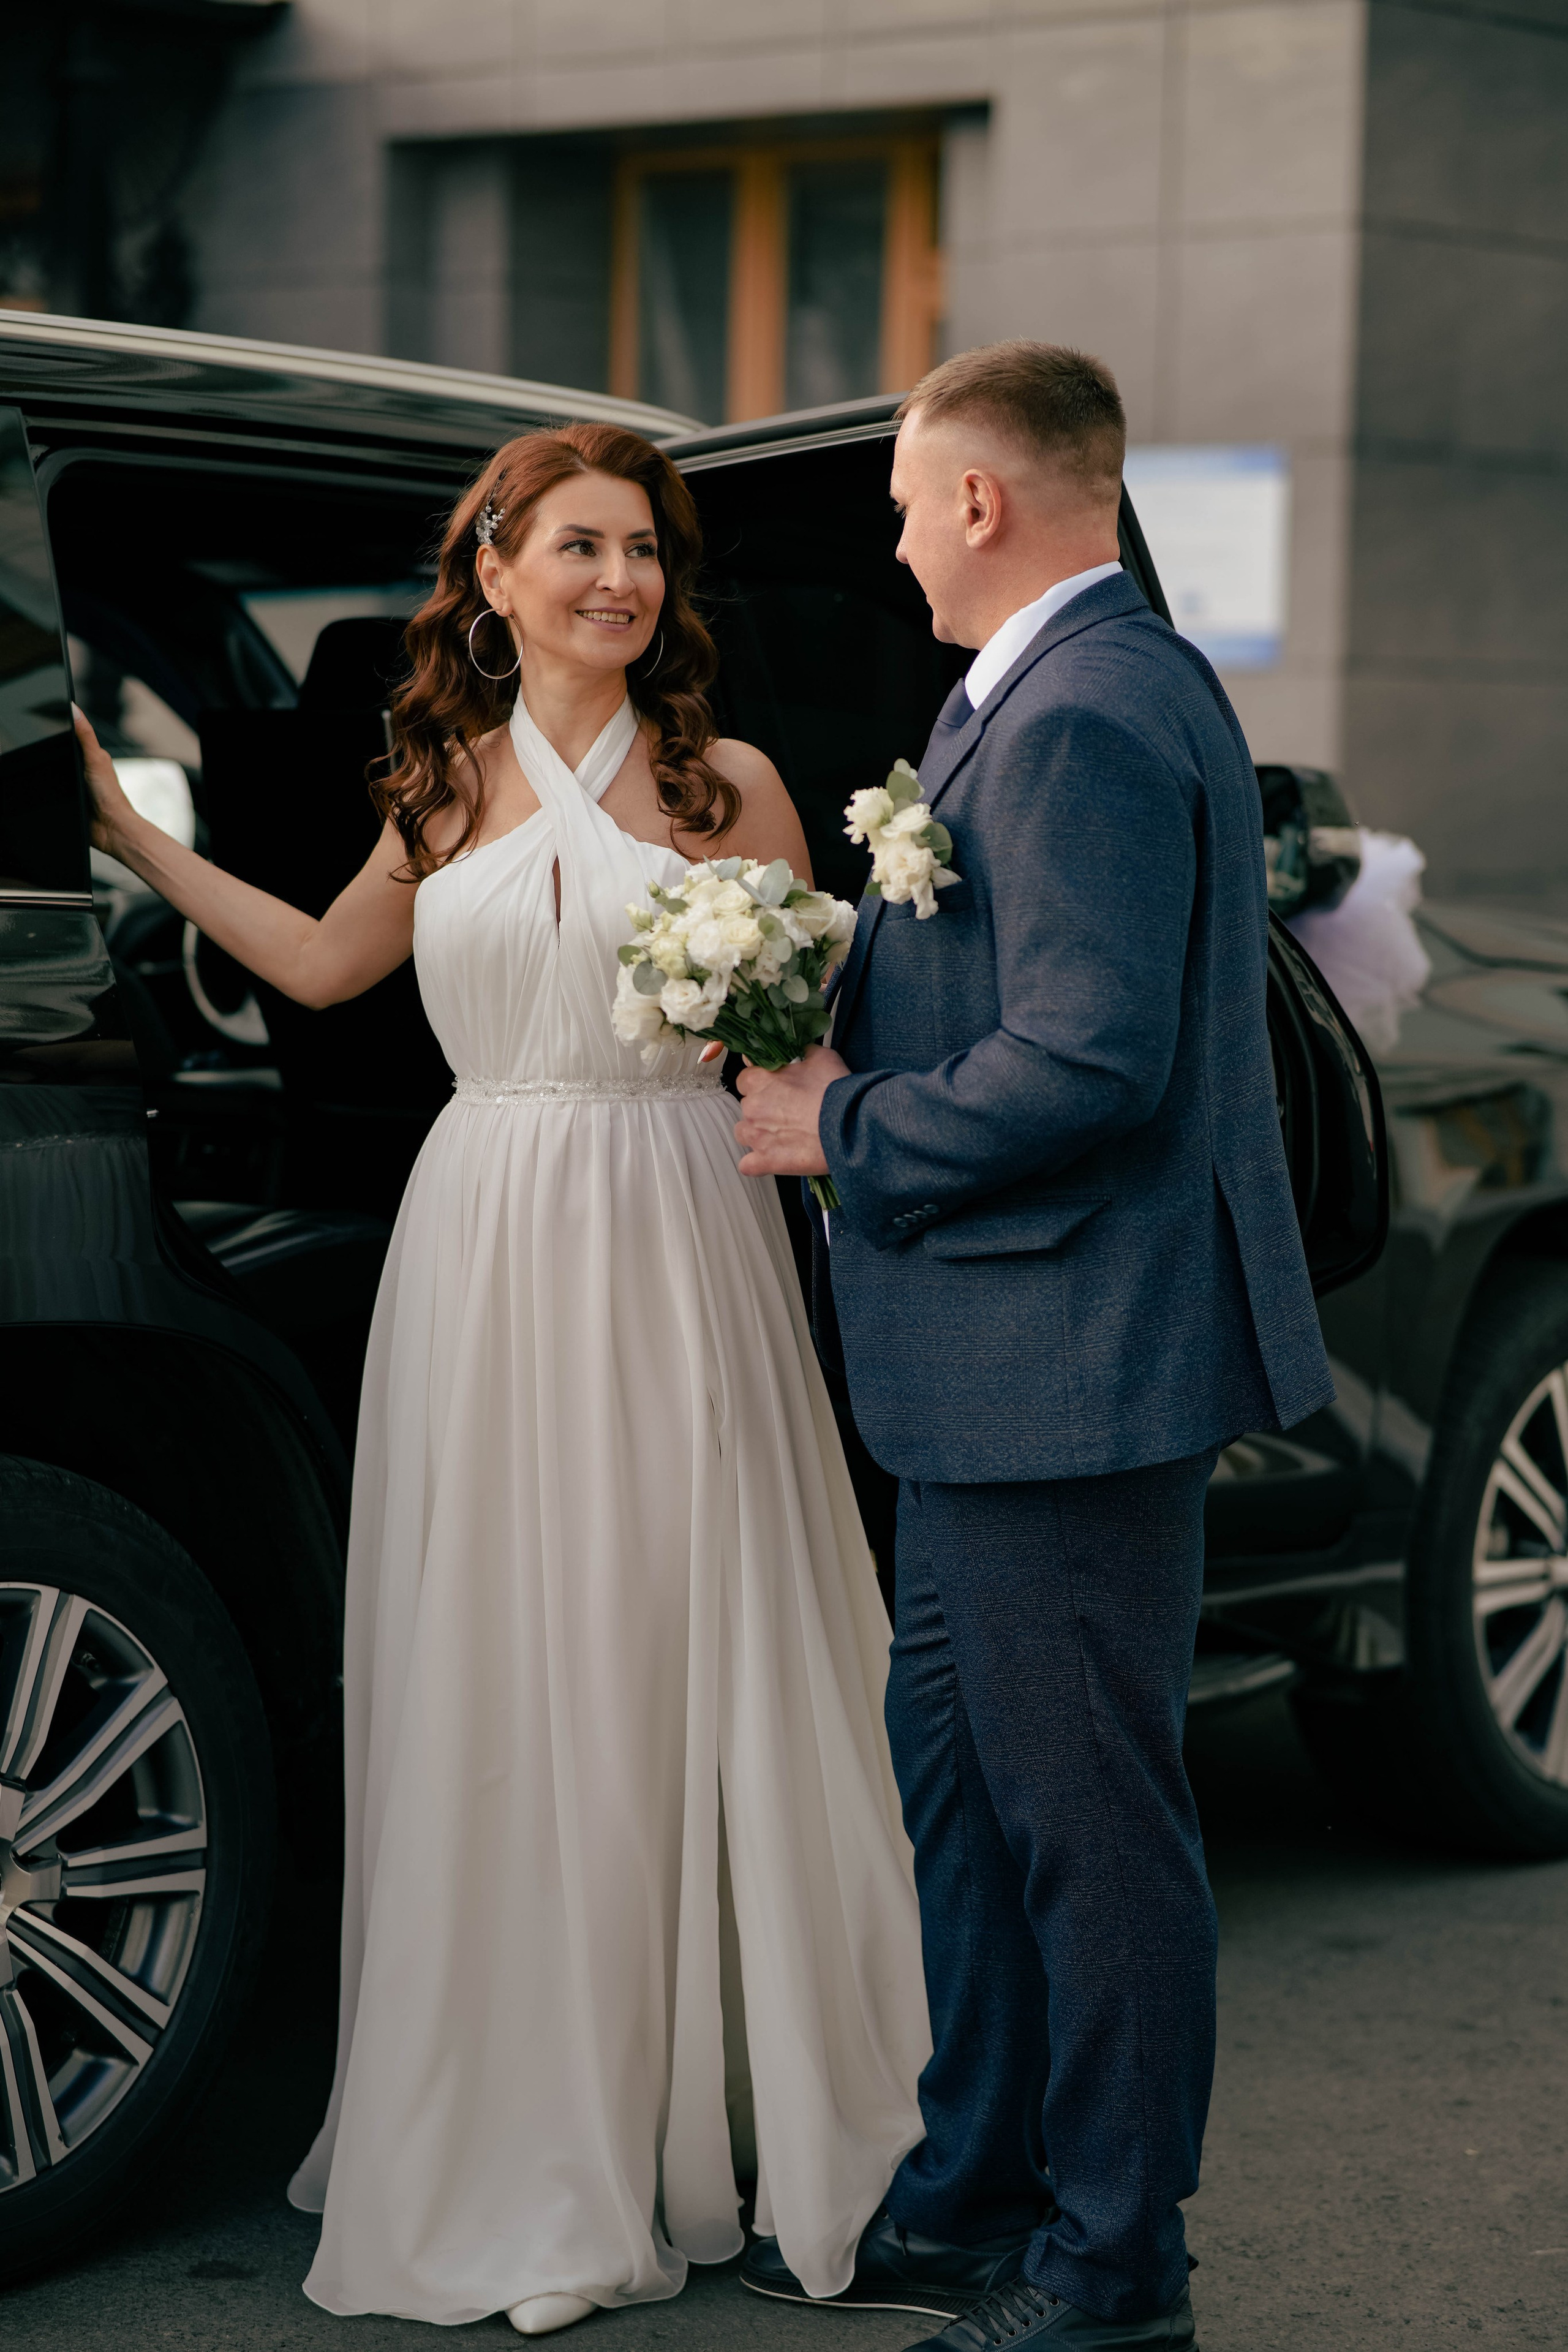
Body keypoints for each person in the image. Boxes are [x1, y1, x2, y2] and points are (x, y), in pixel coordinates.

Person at [75, 421, 930, 2337]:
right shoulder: (439, 785)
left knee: (669, 1639)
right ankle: (527, 2104)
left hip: (674, 1238)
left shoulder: (739, 790)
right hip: (483, 1239)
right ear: (494, 575)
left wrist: (793, 1029)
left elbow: (806, 1051)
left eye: (644, 550)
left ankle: (712, 2097)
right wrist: (135, 839)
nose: (620, 580)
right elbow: (312, 973)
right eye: (580, 547)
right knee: (512, 1655)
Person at [733, 342, 1334, 2351]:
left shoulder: (1079, 711)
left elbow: (1088, 1054)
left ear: (983, 501)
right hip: (996, 1370)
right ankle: (975, 2189)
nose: (897, 545)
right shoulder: (1072, 687)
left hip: (1059, 1373)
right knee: (967, 1800)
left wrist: (846, 1125)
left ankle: (1110, 2274)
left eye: (906, 505)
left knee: (1089, 1832)